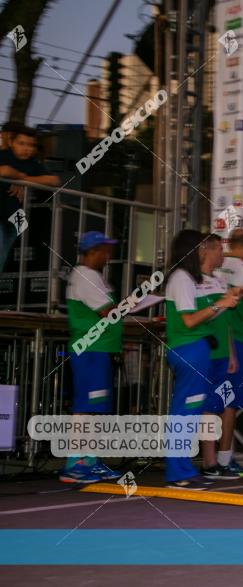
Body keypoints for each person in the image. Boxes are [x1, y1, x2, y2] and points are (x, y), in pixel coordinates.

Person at [164, 230, 240, 489]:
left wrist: (225, 303)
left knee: (192, 412)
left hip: (198, 349)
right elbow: (189, 320)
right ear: (195, 250)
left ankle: (183, 469)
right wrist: (222, 304)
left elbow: (204, 317)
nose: (206, 251)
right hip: (188, 349)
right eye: (202, 247)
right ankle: (177, 472)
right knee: (185, 412)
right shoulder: (181, 278)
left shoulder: (189, 278)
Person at [60, 232, 126, 484]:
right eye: (104, 250)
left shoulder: (92, 276)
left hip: (97, 349)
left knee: (94, 408)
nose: (108, 255)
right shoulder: (86, 275)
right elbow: (108, 312)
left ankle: (89, 460)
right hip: (90, 350)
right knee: (85, 408)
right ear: (92, 252)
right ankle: (75, 464)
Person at [198, 233, 243, 480]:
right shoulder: (192, 280)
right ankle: (208, 462)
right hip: (203, 352)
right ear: (206, 251)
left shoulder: (219, 281)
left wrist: (232, 354)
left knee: (218, 406)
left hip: (222, 353)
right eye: (218, 249)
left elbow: (227, 321)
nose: (223, 254)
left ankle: (217, 461)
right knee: (208, 407)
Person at [213, 228, 243, 475]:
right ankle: (224, 458)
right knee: (229, 402)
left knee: (213, 399)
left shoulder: (216, 266)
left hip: (213, 335)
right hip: (239, 338)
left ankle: (212, 460)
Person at [0, 125, 60, 271]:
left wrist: (22, 180)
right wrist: (18, 178)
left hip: (15, 217)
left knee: (3, 257)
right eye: (21, 143)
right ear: (11, 142)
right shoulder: (3, 155)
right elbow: (4, 170)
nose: (27, 148)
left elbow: (54, 180)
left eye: (31, 145)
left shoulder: (32, 162)